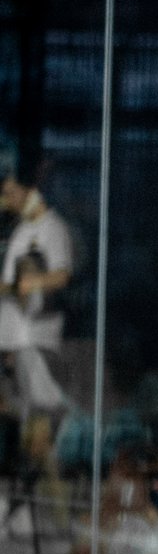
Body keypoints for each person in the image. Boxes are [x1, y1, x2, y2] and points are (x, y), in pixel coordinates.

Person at [0, 164, 74, 413]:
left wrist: (33, 283)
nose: (9, 199)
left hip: (39, 336)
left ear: (31, 191)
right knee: (22, 410)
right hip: (14, 341)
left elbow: (62, 276)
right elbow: (11, 283)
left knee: (44, 408)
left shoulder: (54, 229)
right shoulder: (20, 232)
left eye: (12, 192)